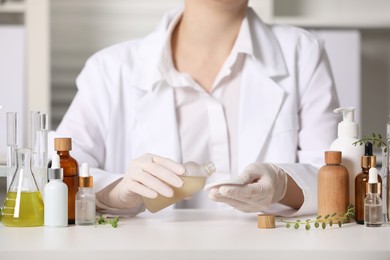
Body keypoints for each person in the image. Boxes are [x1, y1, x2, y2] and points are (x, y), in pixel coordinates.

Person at [54, 0, 339, 216]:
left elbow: (334, 177)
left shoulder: (301, 52)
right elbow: (57, 168)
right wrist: (117, 193)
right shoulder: (109, 70)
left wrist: (283, 184)